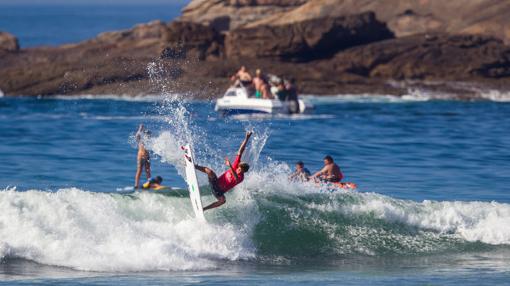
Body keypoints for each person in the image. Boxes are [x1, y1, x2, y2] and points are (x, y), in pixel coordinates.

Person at [193, 131, 253, 211]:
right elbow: (240, 151)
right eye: (238, 167)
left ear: (243, 171)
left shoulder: (241, 178)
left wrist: (230, 166)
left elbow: (235, 177)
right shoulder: (236, 165)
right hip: (215, 183)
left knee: (223, 200)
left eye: (239, 169)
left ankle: (203, 209)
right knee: (210, 172)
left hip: (219, 192)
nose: (238, 169)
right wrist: (247, 138)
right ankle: (194, 166)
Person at [134, 124, 151, 189]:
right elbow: (137, 136)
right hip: (140, 156)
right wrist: (140, 129)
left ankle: (149, 183)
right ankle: (136, 185)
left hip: (147, 157)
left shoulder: (149, 141)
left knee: (148, 170)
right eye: (147, 135)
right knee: (139, 170)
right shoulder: (140, 140)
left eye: (148, 135)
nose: (148, 136)